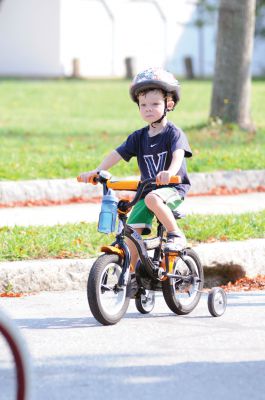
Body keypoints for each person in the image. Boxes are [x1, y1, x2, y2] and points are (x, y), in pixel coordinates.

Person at [78, 67, 192, 269]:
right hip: (147, 192)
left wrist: (170, 173)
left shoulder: (173, 133)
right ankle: (129, 277)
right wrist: (97, 171)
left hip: (173, 189)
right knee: (131, 231)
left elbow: (178, 154)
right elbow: (117, 154)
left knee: (152, 198)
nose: (148, 108)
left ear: (169, 104)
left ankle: (176, 235)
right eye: (143, 104)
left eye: (155, 104)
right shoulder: (138, 137)